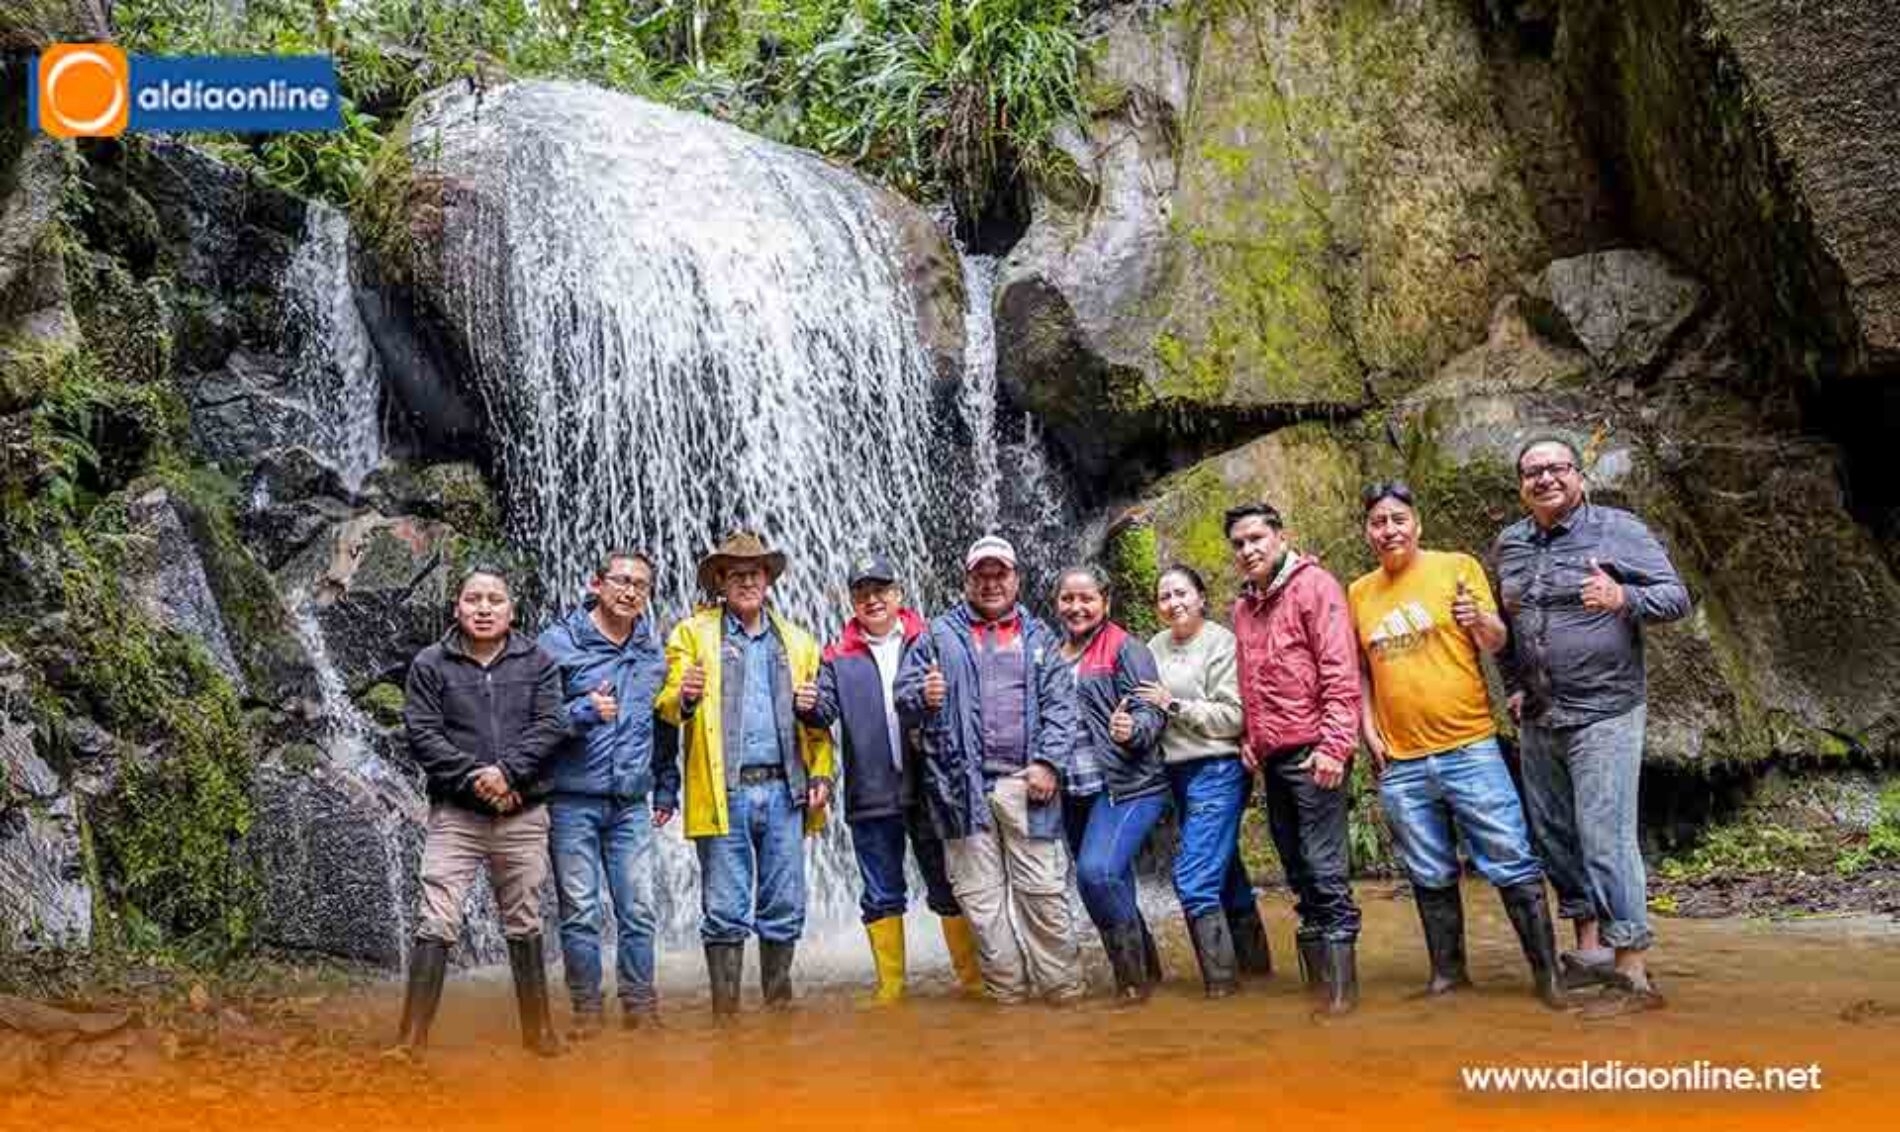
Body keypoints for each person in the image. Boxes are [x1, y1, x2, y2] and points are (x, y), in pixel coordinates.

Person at [1493, 438, 1689, 1019]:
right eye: (1533, 471)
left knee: (1604, 836)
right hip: (1541, 713)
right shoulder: (1509, 544)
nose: (1545, 478)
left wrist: (1621, 595)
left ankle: (1632, 971)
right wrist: (1515, 685)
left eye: (1557, 468)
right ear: (1520, 483)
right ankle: (1588, 952)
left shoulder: (1617, 529)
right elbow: (1509, 626)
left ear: (1579, 476)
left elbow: (1675, 596)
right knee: (1556, 837)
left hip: (1606, 709)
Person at [1349, 483, 1564, 1009]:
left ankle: (1548, 976)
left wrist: (1481, 621)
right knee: (1427, 868)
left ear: (1417, 524)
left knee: (1510, 858)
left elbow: (1496, 640)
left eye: (1398, 519)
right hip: (1400, 759)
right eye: (1378, 522)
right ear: (1367, 532)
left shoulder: (1456, 566)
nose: (1389, 530)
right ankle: (1448, 976)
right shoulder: (1358, 592)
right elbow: (1361, 672)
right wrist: (1368, 729)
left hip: (1469, 746)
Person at [895, 536, 1085, 1006]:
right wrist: (924, 696)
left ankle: (1065, 998)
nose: (991, 582)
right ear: (967, 580)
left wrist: (1047, 764)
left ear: (1016, 579)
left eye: (1000, 573)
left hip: (1029, 786)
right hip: (962, 789)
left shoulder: (1040, 636)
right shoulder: (937, 635)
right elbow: (904, 693)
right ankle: (1008, 1001)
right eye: (982, 574)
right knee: (982, 906)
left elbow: (1062, 709)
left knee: (1043, 897)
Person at [656, 531, 834, 1018]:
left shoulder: (798, 642)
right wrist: (686, 696)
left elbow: (816, 725)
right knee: (725, 909)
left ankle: (778, 1009)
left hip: (785, 792)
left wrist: (822, 774)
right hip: (724, 791)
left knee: (783, 905)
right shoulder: (691, 634)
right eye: (736, 573)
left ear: (768, 580)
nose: (747, 581)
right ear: (721, 581)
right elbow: (666, 706)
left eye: (755, 573)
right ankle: (726, 1019)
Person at [794, 554, 984, 1002]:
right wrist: (806, 703)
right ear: (851, 600)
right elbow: (823, 712)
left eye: (881, 590)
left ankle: (972, 979)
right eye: (862, 592)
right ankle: (892, 987)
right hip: (871, 790)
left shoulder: (930, 639)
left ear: (898, 594)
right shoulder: (835, 654)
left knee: (948, 883)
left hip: (931, 786)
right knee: (880, 891)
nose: (872, 599)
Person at [394, 566, 566, 1056]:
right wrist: (478, 776)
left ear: (512, 609)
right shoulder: (431, 663)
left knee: (524, 917)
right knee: (436, 916)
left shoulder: (539, 662)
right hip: (457, 814)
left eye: (495, 599)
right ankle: (411, 1038)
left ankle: (539, 1033)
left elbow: (551, 727)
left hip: (522, 812)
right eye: (474, 599)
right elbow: (423, 734)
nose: (484, 608)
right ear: (457, 608)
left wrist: (508, 773)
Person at [1226, 501, 1364, 1016]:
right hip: (1272, 754)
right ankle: (1319, 987)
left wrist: (1334, 746)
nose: (1248, 550)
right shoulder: (1243, 606)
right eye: (1239, 544)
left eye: (1257, 538)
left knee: (1325, 869)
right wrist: (1250, 737)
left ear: (1280, 537)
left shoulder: (1315, 587)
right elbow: (1252, 681)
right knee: (1297, 869)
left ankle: (1341, 996)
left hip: (1315, 752)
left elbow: (1339, 672)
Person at [537, 550, 682, 1036]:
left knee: (638, 907)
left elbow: (662, 726)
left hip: (630, 803)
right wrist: (578, 712)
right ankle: (587, 1010)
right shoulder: (557, 645)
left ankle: (640, 1006)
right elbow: (529, 720)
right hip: (571, 800)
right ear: (596, 584)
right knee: (579, 910)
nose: (630, 591)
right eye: (621, 581)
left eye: (641, 585)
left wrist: (665, 785)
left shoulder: (651, 652)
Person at [1133, 563, 1271, 998]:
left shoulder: (1220, 643)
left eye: (1181, 593)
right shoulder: (1153, 647)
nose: (1173, 603)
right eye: (1165, 597)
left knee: (1193, 879)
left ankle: (1222, 991)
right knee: (1225, 872)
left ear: (1200, 597)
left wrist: (1174, 705)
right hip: (1175, 773)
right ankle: (1258, 974)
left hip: (1218, 768)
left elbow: (1233, 717)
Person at [1050, 565, 1170, 1003]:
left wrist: (1132, 729)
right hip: (1074, 792)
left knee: (1096, 875)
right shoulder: (1050, 652)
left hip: (1128, 786)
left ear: (1106, 602)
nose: (1077, 607)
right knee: (1113, 880)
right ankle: (1149, 972)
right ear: (1057, 603)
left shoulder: (1125, 648)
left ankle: (1132, 986)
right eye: (1068, 598)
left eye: (1086, 598)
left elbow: (1151, 710)